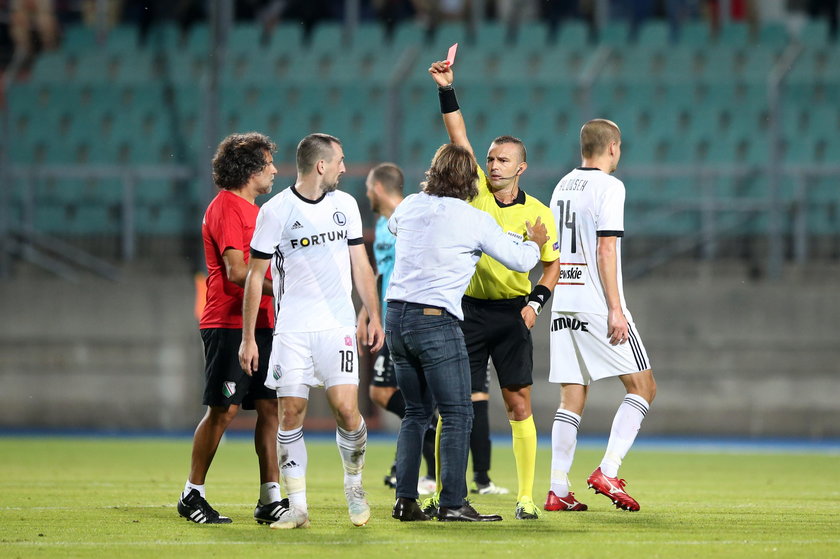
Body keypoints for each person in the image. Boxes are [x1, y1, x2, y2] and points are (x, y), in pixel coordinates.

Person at [387, 143, 549, 523]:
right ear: (470, 181)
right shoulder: (473, 218)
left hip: (396, 316)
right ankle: (453, 503)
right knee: (459, 412)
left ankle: (405, 500)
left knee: (415, 412)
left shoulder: (410, 204)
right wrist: (535, 242)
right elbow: (524, 261)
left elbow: (395, 226)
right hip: (435, 319)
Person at [427, 60, 561, 520]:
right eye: (490, 159)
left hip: (511, 315)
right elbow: (457, 139)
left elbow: (551, 265)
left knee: (517, 403)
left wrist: (536, 304)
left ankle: (525, 496)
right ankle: (449, 494)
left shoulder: (538, 212)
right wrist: (448, 90)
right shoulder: (476, 191)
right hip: (467, 311)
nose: (493, 166)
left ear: (521, 167)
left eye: (502, 160)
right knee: (454, 404)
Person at [239, 133, 384, 529]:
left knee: (346, 410)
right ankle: (298, 507)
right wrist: (249, 337)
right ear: (321, 165)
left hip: (335, 326)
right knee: (290, 414)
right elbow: (255, 277)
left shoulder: (346, 206)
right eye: (339, 160)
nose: (343, 167)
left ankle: (354, 487)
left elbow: (360, 264)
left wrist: (373, 314)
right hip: (292, 331)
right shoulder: (276, 211)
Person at [544, 119, 657, 513]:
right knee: (643, 387)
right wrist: (615, 308)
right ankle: (608, 470)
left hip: (563, 301)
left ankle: (557, 488)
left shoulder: (561, 186)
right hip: (595, 302)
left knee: (571, 396)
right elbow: (605, 249)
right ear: (613, 148)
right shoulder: (610, 187)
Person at [177, 132, 283, 525]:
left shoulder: (260, 212)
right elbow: (237, 272)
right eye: (268, 162)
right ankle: (192, 493)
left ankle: (269, 498)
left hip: (266, 321)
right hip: (229, 323)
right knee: (223, 410)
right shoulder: (226, 208)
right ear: (250, 168)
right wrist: (286, 288)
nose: (274, 169)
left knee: (271, 407)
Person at [356, 163, 438, 495]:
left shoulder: (413, 216)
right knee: (382, 393)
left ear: (377, 188)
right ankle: (424, 437)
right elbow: (381, 272)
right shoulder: (381, 222)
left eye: (367, 188)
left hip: (410, 317)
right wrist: (367, 310)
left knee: (397, 395)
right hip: (389, 318)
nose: (365, 194)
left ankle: (428, 466)